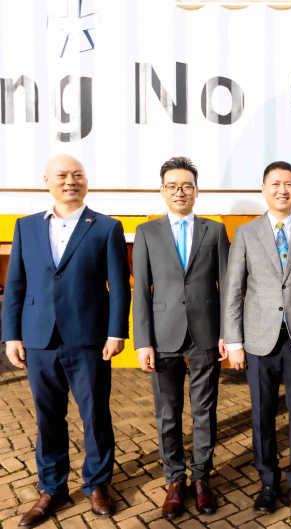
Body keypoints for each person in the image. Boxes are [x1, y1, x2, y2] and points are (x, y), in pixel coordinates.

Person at [1, 154, 131, 526]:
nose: (70, 181)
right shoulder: (26, 227)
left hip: (88, 340)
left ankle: (97, 483)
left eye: (77, 175)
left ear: (86, 181)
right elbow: (15, 285)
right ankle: (52, 487)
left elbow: (119, 286)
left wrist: (116, 331)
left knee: (95, 415)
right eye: (62, 175)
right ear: (47, 180)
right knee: (48, 417)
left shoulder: (106, 227)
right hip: (39, 339)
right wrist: (11, 336)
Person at [222, 161, 291, 515]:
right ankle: (268, 482)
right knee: (263, 416)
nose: (282, 190)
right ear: (264, 189)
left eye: (289, 183)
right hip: (259, 341)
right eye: (275, 183)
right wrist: (234, 343)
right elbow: (233, 291)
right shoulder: (246, 234)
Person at [132, 156, 229, 519]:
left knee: (205, 411)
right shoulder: (147, 233)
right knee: (167, 413)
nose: (180, 192)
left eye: (187, 185)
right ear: (162, 191)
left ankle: (202, 477)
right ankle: (174, 480)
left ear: (196, 191)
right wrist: (143, 341)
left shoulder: (214, 231)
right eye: (172, 186)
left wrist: (227, 334)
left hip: (205, 333)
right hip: (162, 335)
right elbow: (141, 290)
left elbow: (227, 287)